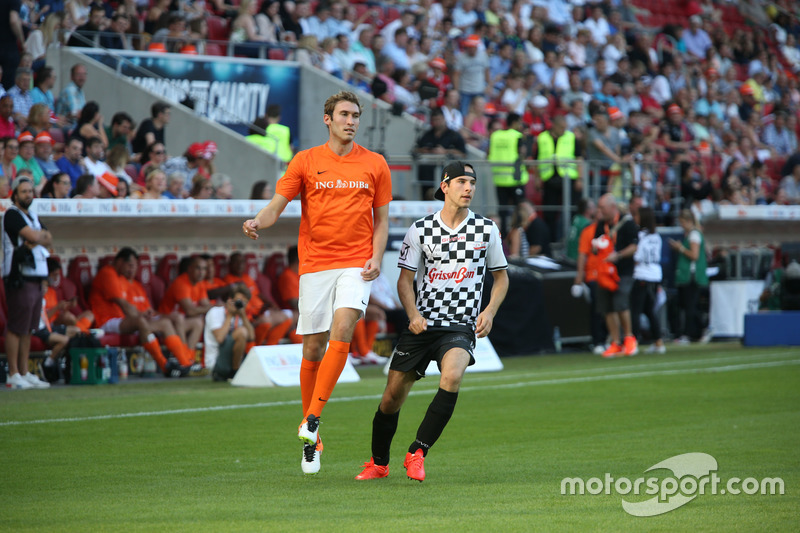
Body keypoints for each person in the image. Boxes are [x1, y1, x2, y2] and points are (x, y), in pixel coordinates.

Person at [242, 90, 392, 476]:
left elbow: (383, 221)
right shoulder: (306, 161)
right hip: (315, 264)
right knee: (312, 347)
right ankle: (314, 438)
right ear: (328, 119)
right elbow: (277, 205)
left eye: (355, 115)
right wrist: (258, 220)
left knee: (343, 327)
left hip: (356, 263)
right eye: (344, 114)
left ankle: (311, 420)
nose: (351, 120)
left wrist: (376, 256)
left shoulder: (375, 164)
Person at [355, 161, 508, 482]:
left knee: (451, 377)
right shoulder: (421, 229)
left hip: (460, 326)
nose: (469, 188)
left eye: (473, 183)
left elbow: (501, 277)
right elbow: (404, 281)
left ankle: (417, 452)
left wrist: (489, 311)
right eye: (462, 182)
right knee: (390, 398)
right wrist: (412, 315)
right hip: (422, 325)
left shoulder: (486, 229)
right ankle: (379, 463)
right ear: (445, 186)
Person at [89, 247, 198, 377]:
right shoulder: (108, 273)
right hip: (106, 321)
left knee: (165, 323)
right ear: (119, 262)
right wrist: (142, 316)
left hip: (123, 320)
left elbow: (142, 310)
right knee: (141, 321)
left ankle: (185, 363)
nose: (132, 269)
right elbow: (123, 304)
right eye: (129, 265)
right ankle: (164, 365)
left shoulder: (126, 280)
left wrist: (146, 316)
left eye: (134, 266)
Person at [2, 177, 53, 389]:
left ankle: (24, 371)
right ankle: (13, 373)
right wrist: (36, 237)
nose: (28, 195)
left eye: (31, 191)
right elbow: (33, 235)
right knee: (16, 326)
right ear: (15, 195)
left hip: (36, 277)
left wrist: (36, 237)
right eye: (24, 191)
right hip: (19, 276)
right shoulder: (12, 214)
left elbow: (48, 237)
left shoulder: (32, 215)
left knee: (28, 328)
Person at [594, 193, 639, 358]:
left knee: (621, 303)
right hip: (605, 272)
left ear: (612, 207)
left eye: (602, 208)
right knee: (607, 307)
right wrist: (596, 246)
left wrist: (618, 255)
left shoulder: (628, 224)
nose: (600, 211)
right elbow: (597, 242)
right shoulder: (601, 224)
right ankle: (615, 342)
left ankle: (629, 338)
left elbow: (634, 246)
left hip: (623, 271)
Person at [536, 114, 582, 243]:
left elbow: (579, 158)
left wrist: (580, 178)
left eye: (565, 127)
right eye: (561, 127)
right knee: (549, 213)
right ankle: (551, 241)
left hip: (568, 179)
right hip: (549, 178)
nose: (564, 130)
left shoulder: (571, 137)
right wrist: (537, 179)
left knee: (571, 210)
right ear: (554, 126)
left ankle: (569, 239)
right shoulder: (542, 138)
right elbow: (537, 159)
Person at [158, 254, 211, 353]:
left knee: (198, 322)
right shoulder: (181, 283)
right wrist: (211, 307)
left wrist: (218, 307)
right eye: (198, 268)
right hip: (166, 321)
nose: (201, 272)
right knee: (180, 318)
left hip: (181, 322)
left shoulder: (200, 283)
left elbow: (206, 304)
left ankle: (189, 356)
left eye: (204, 269)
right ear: (190, 269)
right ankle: (183, 356)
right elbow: (190, 311)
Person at [669, 209, 708, 344]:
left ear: (688, 221)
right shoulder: (692, 234)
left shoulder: (694, 235)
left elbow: (694, 255)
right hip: (688, 275)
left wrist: (680, 248)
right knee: (689, 306)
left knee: (690, 306)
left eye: (682, 222)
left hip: (691, 275)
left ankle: (691, 333)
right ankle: (700, 330)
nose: (681, 225)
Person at [204, 283, 255, 381]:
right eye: (238, 301)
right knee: (242, 332)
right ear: (229, 300)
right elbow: (219, 338)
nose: (239, 305)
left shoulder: (240, 316)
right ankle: (235, 373)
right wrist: (230, 316)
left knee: (244, 333)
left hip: (229, 359)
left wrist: (243, 316)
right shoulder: (215, 312)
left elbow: (252, 337)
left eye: (244, 303)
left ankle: (235, 371)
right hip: (216, 361)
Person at [631, 207, 665, 353]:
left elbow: (637, 257)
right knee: (649, 309)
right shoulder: (656, 236)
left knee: (635, 310)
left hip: (642, 274)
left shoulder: (640, 235)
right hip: (655, 274)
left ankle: (633, 343)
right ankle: (658, 342)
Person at [414, 107, 467, 198]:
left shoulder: (453, 135)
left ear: (443, 119)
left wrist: (445, 151)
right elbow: (416, 149)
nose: (436, 122)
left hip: (448, 176)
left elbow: (463, 154)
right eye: (434, 120)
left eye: (438, 119)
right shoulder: (427, 134)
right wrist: (425, 151)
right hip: (427, 176)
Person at [488, 112, 528, 229]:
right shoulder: (517, 136)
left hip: (499, 178)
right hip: (515, 178)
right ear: (515, 123)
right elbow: (523, 153)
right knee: (519, 210)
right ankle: (518, 234)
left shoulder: (495, 135)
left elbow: (489, 153)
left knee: (502, 211)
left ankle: (503, 236)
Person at [56, 64, 87, 128]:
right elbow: (75, 114)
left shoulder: (80, 91)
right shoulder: (69, 90)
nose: (82, 77)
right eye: (79, 74)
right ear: (72, 76)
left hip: (75, 125)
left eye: (84, 74)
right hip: (65, 126)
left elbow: (83, 112)